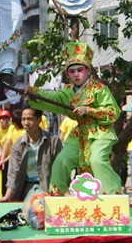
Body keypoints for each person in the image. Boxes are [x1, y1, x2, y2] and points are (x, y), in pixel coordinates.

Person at [26, 42, 122, 195]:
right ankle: (56, 195)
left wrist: (90, 110)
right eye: (72, 71)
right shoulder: (67, 92)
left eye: (80, 70)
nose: (76, 74)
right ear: (68, 74)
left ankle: (112, 193)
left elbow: (113, 112)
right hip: (79, 134)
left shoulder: (99, 89)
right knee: (61, 161)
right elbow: (53, 98)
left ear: (88, 70)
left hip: (100, 133)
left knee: (97, 160)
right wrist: (35, 93)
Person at [0, 107, 63, 202]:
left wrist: (62, 193)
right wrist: (7, 196)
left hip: (49, 187)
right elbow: (13, 173)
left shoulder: (53, 141)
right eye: (23, 119)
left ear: (39, 120)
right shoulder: (18, 146)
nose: (26, 123)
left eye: (30, 119)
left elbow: (61, 169)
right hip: (27, 189)